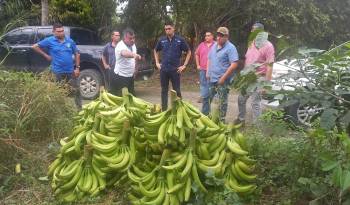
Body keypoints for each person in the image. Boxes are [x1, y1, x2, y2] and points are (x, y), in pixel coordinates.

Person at [32, 23, 82, 110]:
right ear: (54, 32)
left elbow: (77, 53)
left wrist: (77, 68)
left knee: (76, 91)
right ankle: (62, 111)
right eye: (59, 31)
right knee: (59, 93)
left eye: (62, 31)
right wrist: (46, 56)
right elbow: (34, 47)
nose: (61, 33)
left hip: (70, 71)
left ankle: (80, 110)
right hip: (57, 72)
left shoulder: (70, 41)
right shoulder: (49, 40)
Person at [235, 22, 275, 125]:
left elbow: (270, 66)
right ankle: (241, 119)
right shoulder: (251, 43)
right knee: (241, 99)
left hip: (259, 78)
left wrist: (266, 85)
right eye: (252, 29)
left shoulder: (268, 46)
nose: (252, 31)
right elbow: (248, 60)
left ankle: (257, 127)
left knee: (255, 103)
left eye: (255, 30)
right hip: (248, 78)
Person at [154, 21, 191, 111]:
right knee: (164, 91)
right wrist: (157, 63)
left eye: (169, 28)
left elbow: (189, 52)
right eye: (166, 29)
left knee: (177, 90)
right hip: (164, 70)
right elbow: (155, 50)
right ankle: (164, 110)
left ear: (173, 28)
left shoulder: (180, 40)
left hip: (175, 70)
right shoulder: (161, 40)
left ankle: (180, 110)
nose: (167, 30)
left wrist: (184, 65)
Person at [207, 27, 239, 122]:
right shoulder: (214, 46)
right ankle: (209, 118)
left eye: (221, 36)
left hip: (223, 80)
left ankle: (221, 121)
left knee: (222, 101)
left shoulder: (231, 48)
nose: (218, 38)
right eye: (218, 35)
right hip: (212, 78)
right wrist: (208, 72)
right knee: (209, 99)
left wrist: (223, 78)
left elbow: (234, 64)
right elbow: (209, 58)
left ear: (226, 37)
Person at [110, 28, 141, 96]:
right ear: (124, 38)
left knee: (131, 96)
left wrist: (136, 69)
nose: (133, 40)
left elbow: (134, 59)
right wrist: (134, 55)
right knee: (122, 98)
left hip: (130, 75)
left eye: (133, 38)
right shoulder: (120, 46)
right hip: (121, 76)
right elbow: (124, 53)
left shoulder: (133, 45)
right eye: (130, 38)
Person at [195, 31, 215, 115]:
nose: (206, 37)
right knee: (204, 86)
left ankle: (205, 101)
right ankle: (205, 109)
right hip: (203, 69)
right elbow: (196, 54)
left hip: (213, 70)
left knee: (211, 88)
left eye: (208, 35)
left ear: (212, 36)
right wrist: (198, 65)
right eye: (205, 36)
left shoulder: (216, 45)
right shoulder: (201, 45)